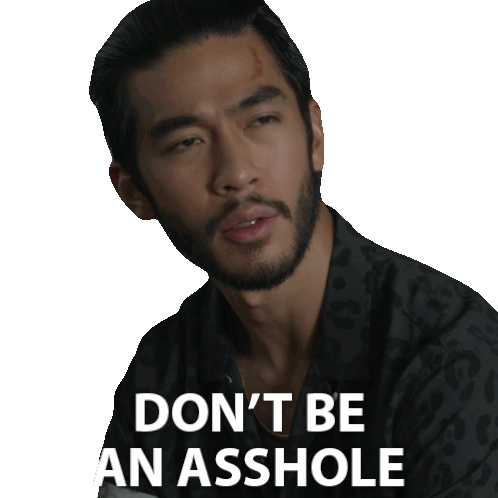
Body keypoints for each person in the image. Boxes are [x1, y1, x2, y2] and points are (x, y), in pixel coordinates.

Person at [90, 0, 498, 496]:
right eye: (186, 143)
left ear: (315, 135)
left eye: (261, 119)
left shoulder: (451, 356)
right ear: (133, 191)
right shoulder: (161, 373)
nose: (237, 173)